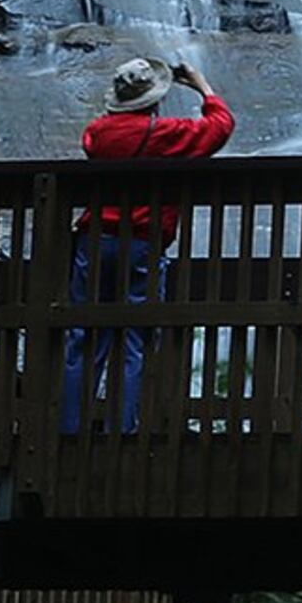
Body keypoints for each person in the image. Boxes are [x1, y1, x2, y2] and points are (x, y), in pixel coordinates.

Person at [58, 55, 236, 434]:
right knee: (134, 337)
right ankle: (122, 429)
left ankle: (70, 430)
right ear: (153, 99)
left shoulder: (97, 133)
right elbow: (221, 127)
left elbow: (93, 141)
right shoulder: (167, 134)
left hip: (95, 241)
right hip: (142, 242)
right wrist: (202, 85)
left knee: (82, 336)